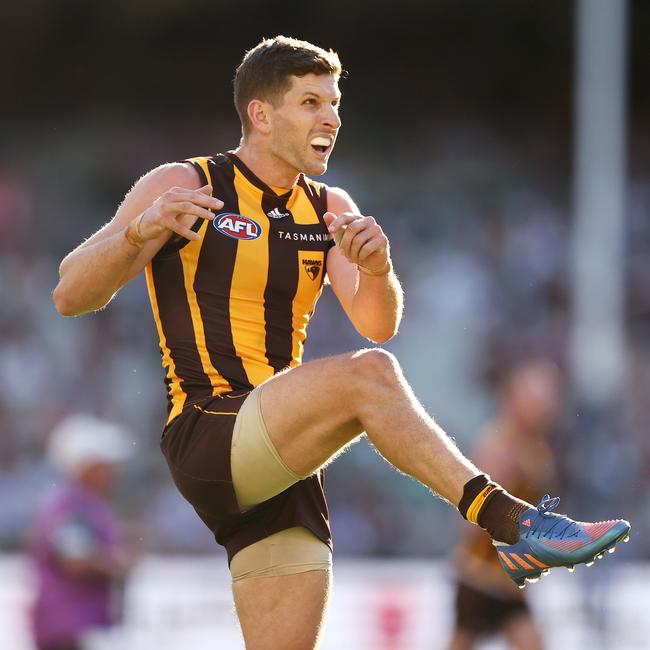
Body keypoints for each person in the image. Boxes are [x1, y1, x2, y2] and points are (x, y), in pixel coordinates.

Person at [53, 35, 630, 650]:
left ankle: (510, 526)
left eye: (333, 102)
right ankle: (509, 521)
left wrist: (379, 270)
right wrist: (136, 232)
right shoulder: (187, 181)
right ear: (261, 114)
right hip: (208, 430)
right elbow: (71, 295)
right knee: (369, 375)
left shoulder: (330, 208)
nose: (330, 117)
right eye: (310, 102)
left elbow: (378, 322)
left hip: (279, 465)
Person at [448, 359, 563, 650]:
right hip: (481, 577)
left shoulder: (534, 447)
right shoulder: (500, 444)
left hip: (507, 583)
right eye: (534, 398)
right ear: (512, 398)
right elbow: (473, 511)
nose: (542, 406)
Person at [29, 415, 133, 650]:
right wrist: (116, 563)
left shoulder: (86, 501)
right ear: (85, 465)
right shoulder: (69, 504)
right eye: (104, 464)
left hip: (74, 627)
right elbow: (74, 558)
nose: (111, 471)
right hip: (66, 631)